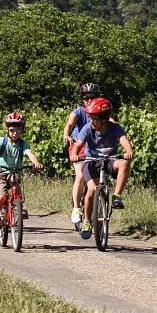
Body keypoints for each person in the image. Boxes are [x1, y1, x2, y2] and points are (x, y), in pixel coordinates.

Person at [69, 98, 133, 240]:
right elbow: (78, 145)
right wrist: (74, 155)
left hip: (110, 160)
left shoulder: (115, 128)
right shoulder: (88, 129)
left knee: (124, 163)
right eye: (91, 118)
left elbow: (124, 140)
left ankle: (117, 196)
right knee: (91, 189)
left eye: (95, 119)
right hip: (92, 162)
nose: (92, 121)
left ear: (104, 119)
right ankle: (86, 221)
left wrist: (128, 151)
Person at [0, 112, 43, 235]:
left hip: (14, 172)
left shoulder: (23, 144)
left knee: (16, 185)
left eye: (18, 130)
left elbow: (30, 154)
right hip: (0, 172)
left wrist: (37, 163)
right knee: (1, 196)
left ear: (22, 131)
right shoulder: (2, 141)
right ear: (7, 130)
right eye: (12, 130)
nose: (15, 133)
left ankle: (19, 205)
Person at [63, 83, 101, 224]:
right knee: (80, 175)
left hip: (95, 146)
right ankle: (76, 208)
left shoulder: (101, 112)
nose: (89, 100)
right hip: (79, 146)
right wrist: (66, 134)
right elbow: (69, 124)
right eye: (86, 98)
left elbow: (111, 123)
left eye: (93, 97)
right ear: (82, 99)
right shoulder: (79, 112)